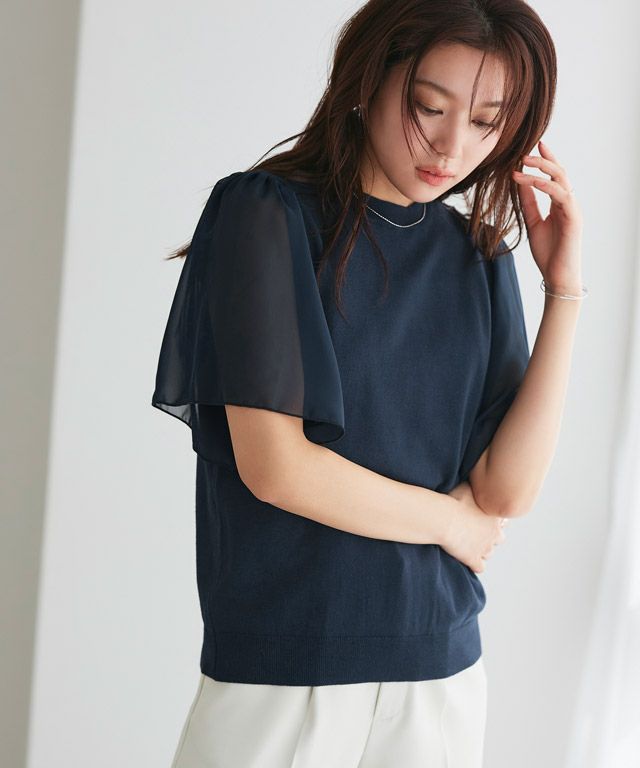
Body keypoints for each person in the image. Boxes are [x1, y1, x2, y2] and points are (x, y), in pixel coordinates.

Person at [151, 1, 585, 765]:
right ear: (367, 78)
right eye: (430, 108)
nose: (453, 146)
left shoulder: (477, 254)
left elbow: (505, 492)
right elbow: (277, 468)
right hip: (288, 670)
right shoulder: (265, 214)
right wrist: (448, 523)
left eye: (486, 123)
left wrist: (564, 292)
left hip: (442, 672)